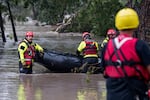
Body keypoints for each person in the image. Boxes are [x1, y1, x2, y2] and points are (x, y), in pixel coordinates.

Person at [100, 8, 150, 100]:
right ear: (136, 24)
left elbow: (105, 72)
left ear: (117, 24)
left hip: (112, 96)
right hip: (135, 95)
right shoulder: (140, 46)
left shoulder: (106, 46)